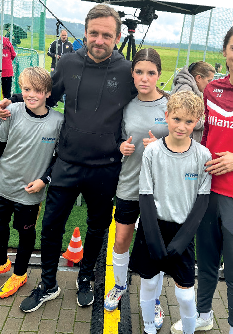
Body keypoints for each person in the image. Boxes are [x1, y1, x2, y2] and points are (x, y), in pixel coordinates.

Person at [0, 4, 135, 312]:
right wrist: (13, 101)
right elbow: (48, 93)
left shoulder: (126, 71)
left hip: (106, 168)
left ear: (116, 38)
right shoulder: (68, 62)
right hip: (68, 163)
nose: (99, 40)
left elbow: (148, 98)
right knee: (50, 226)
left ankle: (85, 277)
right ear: (85, 33)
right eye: (94, 33)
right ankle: (48, 284)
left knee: (97, 226)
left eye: (107, 35)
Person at [171, 23, 233, 334]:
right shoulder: (212, 90)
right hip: (207, 190)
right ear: (224, 53)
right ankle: (203, 316)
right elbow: (206, 137)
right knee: (207, 263)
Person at [130, 90, 212, 334]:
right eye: (176, 119)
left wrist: (181, 241)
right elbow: (144, 195)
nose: (181, 126)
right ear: (166, 116)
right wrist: (153, 239)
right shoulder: (153, 152)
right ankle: (149, 329)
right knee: (149, 285)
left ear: (197, 121)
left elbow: (201, 202)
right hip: (152, 230)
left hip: (182, 234)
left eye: (189, 121)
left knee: (185, 296)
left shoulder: (202, 155)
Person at [104, 48, 169, 329]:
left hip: (161, 190)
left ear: (159, 74)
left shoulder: (171, 106)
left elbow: (189, 143)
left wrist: (162, 147)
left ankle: (153, 299)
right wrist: (121, 146)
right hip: (130, 185)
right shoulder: (126, 106)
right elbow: (115, 139)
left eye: (151, 73)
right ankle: (119, 285)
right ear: (132, 74)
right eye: (139, 72)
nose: (145, 78)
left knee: (156, 247)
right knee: (121, 240)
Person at [0, 67, 63, 298]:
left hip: (30, 192)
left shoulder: (58, 121)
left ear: (48, 93)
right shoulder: (11, 112)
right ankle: (2, 262)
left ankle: (20, 274)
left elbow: (59, 158)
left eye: (37, 90)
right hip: (3, 185)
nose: (31, 94)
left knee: (25, 234)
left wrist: (43, 180)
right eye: (26, 89)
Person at [171, 61, 215, 143]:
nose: (210, 84)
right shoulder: (185, 91)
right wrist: (210, 123)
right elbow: (185, 120)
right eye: (209, 81)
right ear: (198, 78)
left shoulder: (190, 89)